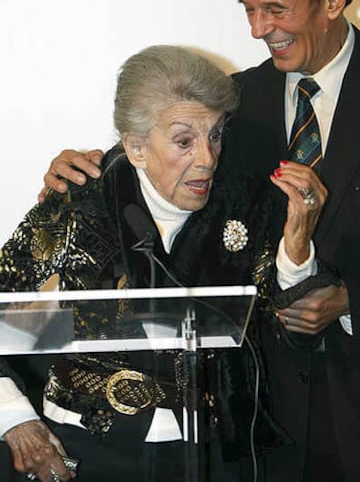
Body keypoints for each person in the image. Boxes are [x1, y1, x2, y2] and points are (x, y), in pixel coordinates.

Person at [43, 0, 360, 481]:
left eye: (275, 9)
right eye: (248, 10)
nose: (259, 29)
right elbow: (163, 165)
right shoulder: (235, 102)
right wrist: (80, 173)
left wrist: (355, 300)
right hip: (254, 433)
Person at [0, 43, 327, 482]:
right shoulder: (80, 205)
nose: (207, 159)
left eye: (215, 134)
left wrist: (298, 243)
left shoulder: (241, 202)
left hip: (205, 455)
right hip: (89, 451)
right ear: (135, 146)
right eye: (184, 141)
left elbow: (281, 318)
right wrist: (15, 419)